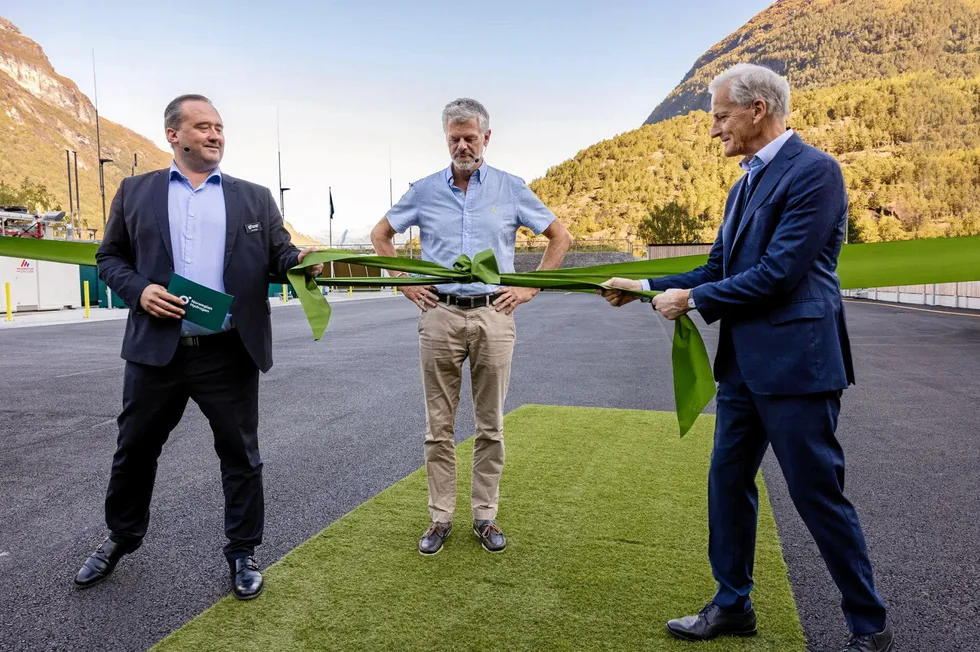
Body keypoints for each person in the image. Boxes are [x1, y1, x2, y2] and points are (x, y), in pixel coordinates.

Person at [601, 64, 893, 652]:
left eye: (720, 116)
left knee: (816, 494)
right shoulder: (743, 185)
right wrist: (645, 284)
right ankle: (733, 603)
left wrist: (694, 300)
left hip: (797, 365)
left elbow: (780, 274)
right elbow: (718, 270)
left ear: (758, 109)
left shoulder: (816, 173)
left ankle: (869, 625)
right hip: (741, 367)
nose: (714, 131)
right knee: (727, 483)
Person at [75, 94, 321, 600]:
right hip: (155, 350)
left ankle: (243, 552)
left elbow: (280, 258)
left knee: (241, 455)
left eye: (220, 127)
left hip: (228, 350)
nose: (215, 135)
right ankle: (120, 538)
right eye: (203, 127)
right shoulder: (134, 191)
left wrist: (301, 261)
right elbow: (109, 258)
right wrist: (139, 290)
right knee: (134, 451)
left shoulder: (254, 198)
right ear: (174, 135)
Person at [371, 98, 572, 555]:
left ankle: (485, 517)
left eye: (470, 137)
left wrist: (528, 290)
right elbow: (381, 235)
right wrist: (405, 285)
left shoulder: (511, 188)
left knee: (491, 425)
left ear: (487, 137)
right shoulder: (423, 191)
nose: (463, 145)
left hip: (493, 315)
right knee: (437, 426)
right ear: (446, 139)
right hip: (439, 314)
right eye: (454, 138)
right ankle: (440, 518)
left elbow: (560, 237)